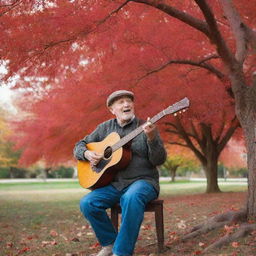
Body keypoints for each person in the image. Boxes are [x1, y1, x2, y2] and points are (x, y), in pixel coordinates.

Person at [73, 90, 167, 256]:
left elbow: (158, 160)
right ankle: (109, 243)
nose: (126, 105)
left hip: (143, 182)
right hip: (116, 185)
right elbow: (79, 145)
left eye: (129, 101)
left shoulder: (145, 127)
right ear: (112, 109)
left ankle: (121, 252)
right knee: (88, 202)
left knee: (130, 197)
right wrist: (86, 154)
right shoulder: (105, 128)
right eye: (121, 102)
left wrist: (152, 138)